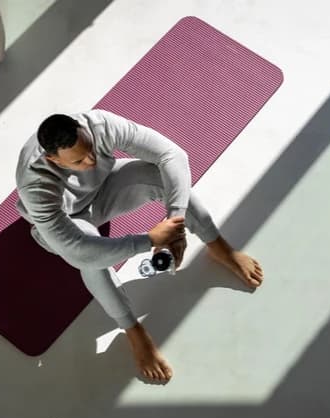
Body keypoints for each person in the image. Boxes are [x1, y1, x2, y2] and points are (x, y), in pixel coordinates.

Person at [15, 109, 264, 383]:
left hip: (104, 191)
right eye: (78, 160)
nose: (91, 160)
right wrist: (149, 240)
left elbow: (173, 155)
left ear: (82, 128)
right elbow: (79, 252)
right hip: (66, 221)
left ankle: (217, 245)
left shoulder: (100, 125)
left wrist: (175, 224)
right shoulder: (35, 185)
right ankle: (133, 330)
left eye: (91, 150)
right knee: (92, 260)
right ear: (53, 159)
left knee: (159, 173)